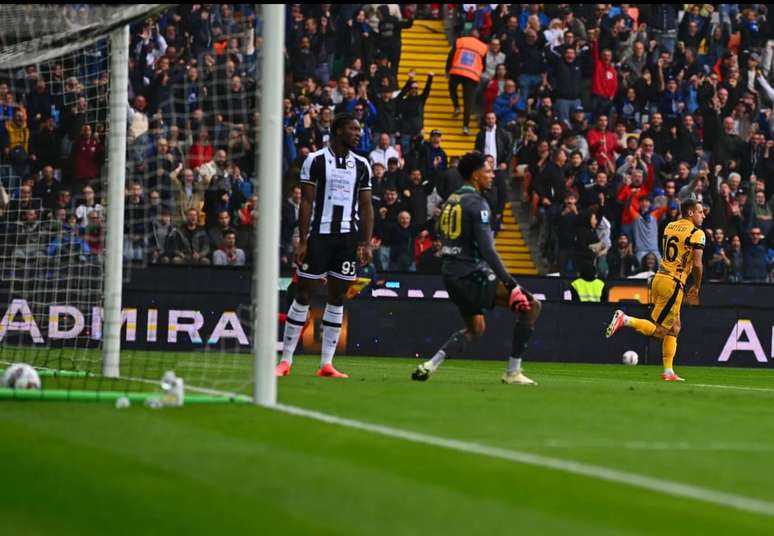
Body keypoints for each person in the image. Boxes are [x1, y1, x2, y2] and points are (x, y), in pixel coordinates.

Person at [411, 151, 541, 385]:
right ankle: (513, 372)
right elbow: (488, 251)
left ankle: (430, 365)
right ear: (475, 174)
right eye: (488, 170)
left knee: (475, 329)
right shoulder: (477, 203)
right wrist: (511, 285)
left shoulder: (452, 199)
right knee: (531, 306)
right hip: (470, 273)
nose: (492, 175)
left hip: (450, 274)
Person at [276, 113, 373, 379]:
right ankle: (285, 361)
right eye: (353, 129)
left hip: (346, 239)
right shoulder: (315, 160)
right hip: (319, 236)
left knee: (337, 296)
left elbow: (366, 205)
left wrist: (365, 241)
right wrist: (303, 239)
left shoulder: (362, 165)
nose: (358, 133)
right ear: (338, 130)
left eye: (359, 129)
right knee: (304, 294)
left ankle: (327, 364)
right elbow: (306, 202)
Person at [606, 198, 706, 382]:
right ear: (691, 213)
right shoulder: (697, 233)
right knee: (660, 331)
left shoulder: (670, 226)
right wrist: (697, 285)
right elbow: (698, 264)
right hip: (674, 283)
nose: (703, 215)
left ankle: (668, 372)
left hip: (659, 277)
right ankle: (625, 319)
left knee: (675, 328)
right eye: (700, 212)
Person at [446, 34, 487, 135]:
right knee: (468, 103)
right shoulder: (483, 46)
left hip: (457, 71)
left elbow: (450, 55)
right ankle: (465, 127)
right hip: (472, 76)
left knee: (452, 87)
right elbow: (483, 64)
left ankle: (456, 107)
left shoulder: (460, 41)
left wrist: (447, 70)